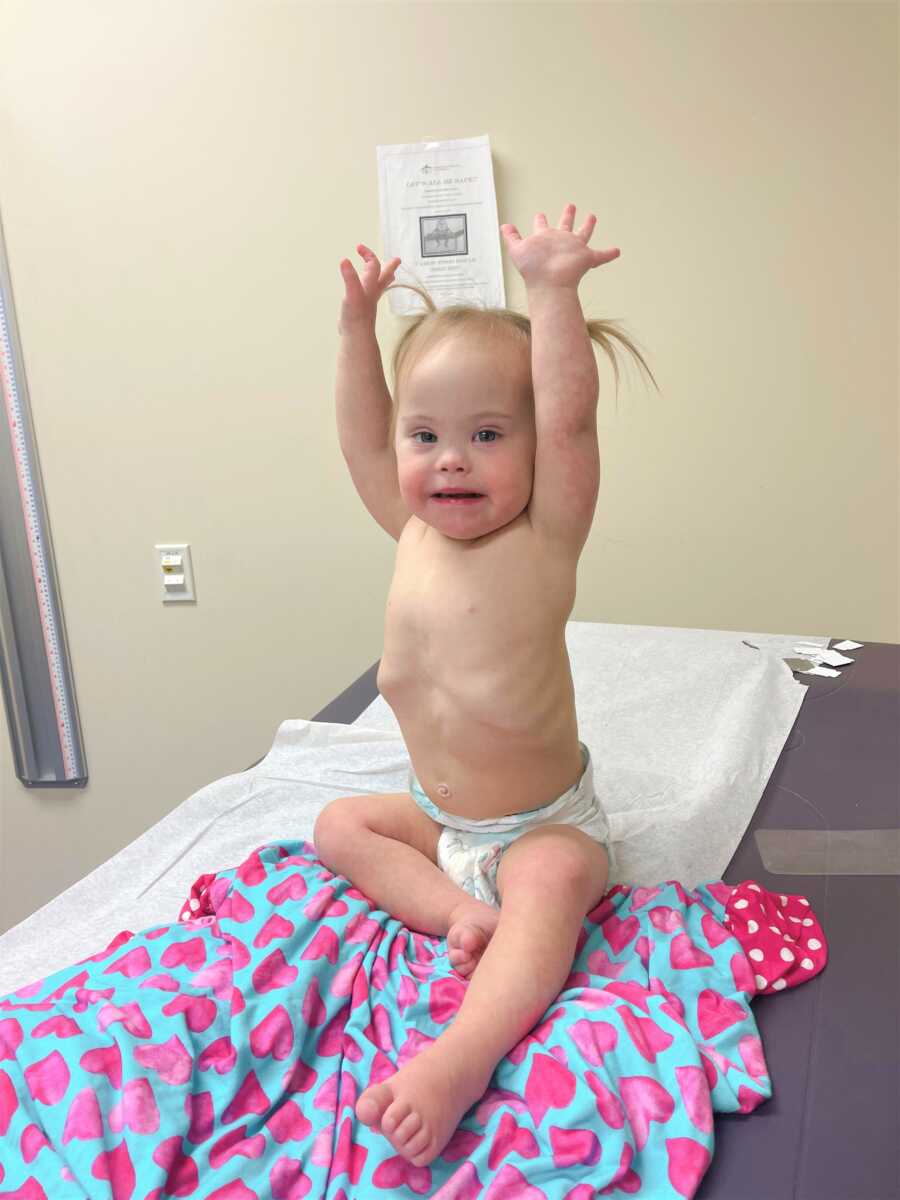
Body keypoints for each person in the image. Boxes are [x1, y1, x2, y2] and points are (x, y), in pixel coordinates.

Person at [315, 203, 658, 1168]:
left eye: (487, 434)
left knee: (550, 886)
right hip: (439, 819)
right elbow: (360, 435)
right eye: (424, 435)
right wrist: (354, 331)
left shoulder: (545, 539)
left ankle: (457, 1060)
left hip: (540, 825)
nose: (449, 457)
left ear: (535, 452)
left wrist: (553, 292)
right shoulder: (412, 526)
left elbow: (572, 413)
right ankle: (456, 913)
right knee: (339, 826)